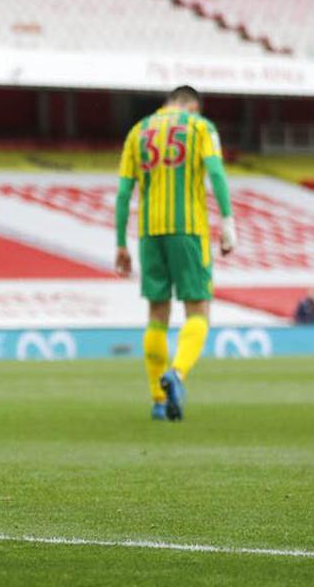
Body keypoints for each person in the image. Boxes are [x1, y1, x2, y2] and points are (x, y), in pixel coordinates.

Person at [115, 85, 237, 422]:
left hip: (150, 233)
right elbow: (215, 172)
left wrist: (120, 243)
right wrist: (228, 222)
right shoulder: (200, 127)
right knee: (198, 310)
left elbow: (124, 192)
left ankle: (157, 399)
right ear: (192, 105)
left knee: (157, 314)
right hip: (189, 232)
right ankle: (177, 374)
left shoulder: (137, 131)